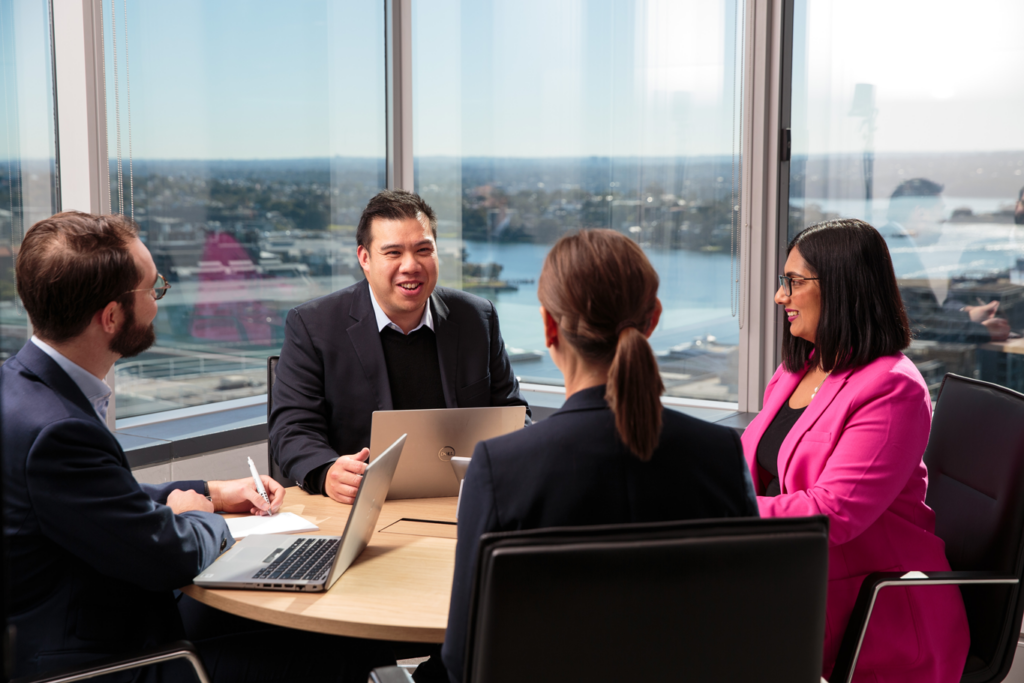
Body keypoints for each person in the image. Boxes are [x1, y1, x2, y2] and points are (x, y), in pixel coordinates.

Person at [2, 211, 391, 682]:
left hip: (87, 624)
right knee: (338, 653)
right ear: (111, 316)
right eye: (154, 289)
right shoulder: (58, 431)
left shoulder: (21, 392)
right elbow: (169, 556)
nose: (159, 302)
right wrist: (195, 516)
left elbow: (99, 497)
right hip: (106, 662)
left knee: (308, 634)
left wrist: (211, 490)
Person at [429, 229, 758, 683]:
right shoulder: (720, 454)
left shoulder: (500, 467)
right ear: (654, 318)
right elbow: (748, 626)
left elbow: (464, 660)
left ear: (549, 326)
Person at [742, 218, 969, 682]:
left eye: (793, 282)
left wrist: (719, 511)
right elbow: (755, 469)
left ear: (843, 286)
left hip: (872, 606)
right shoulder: (797, 369)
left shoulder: (891, 388)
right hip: (803, 579)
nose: (780, 296)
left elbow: (833, 512)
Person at [269, 190, 530, 505]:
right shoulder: (312, 326)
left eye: (423, 249)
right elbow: (291, 430)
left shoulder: (477, 317)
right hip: (361, 506)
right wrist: (327, 472)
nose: (411, 266)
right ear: (365, 258)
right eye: (393, 253)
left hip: (463, 501)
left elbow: (514, 415)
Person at [880, 177, 1009, 343]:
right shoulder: (898, 253)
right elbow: (920, 323)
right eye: (940, 210)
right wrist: (983, 332)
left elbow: (922, 314)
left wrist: (968, 316)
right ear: (921, 213)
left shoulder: (888, 243)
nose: (944, 219)